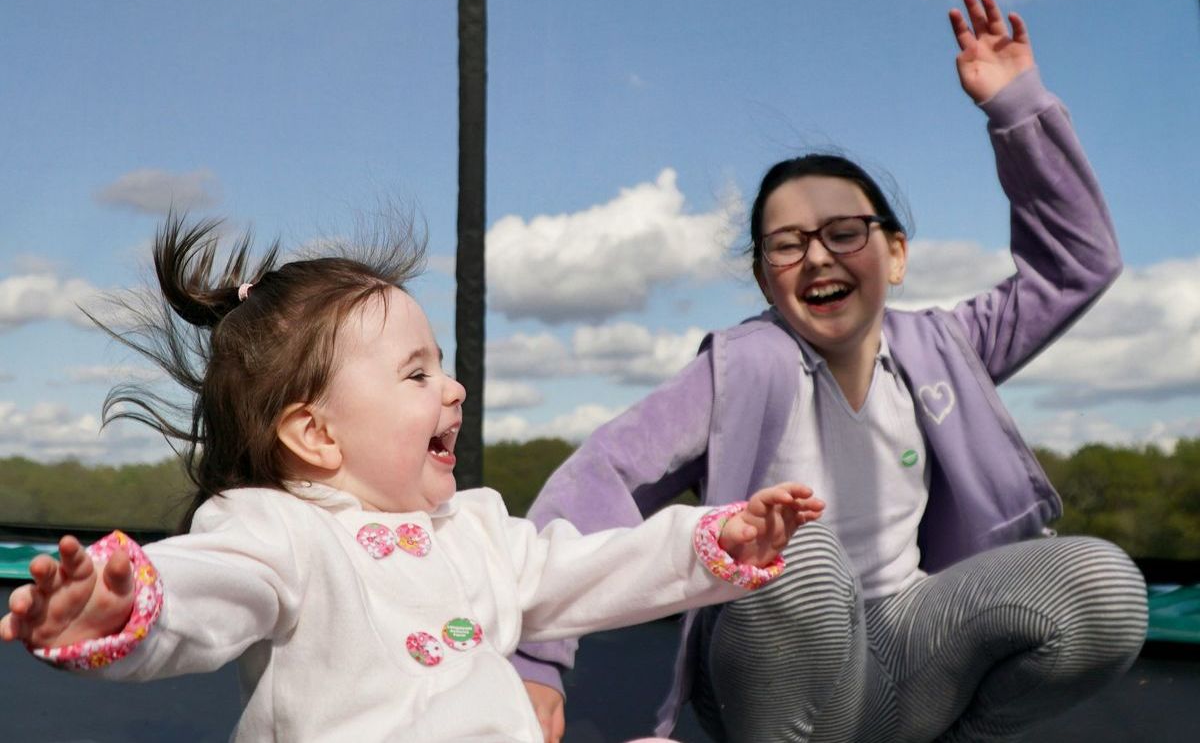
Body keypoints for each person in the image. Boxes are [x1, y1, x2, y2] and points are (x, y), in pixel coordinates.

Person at [516, 0, 1148, 743]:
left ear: (897, 254)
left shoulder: (945, 349)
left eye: (844, 232)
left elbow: (1076, 266)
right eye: (787, 244)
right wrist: (536, 657)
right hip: (776, 667)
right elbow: (604, 477)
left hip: (912, 651)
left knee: (1105, 588)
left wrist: (1017, 108)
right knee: (800, 552)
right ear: (764, 280)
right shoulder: (744, 367)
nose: (816, 255)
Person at [1, 216, 826, 743]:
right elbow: (211, 588)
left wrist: (711, 539)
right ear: (315, 434)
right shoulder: (277, 529)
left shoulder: (473, 530)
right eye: (417, 374)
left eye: (444, 367)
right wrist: (129, 607)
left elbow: (589, 567)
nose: (454, 388)